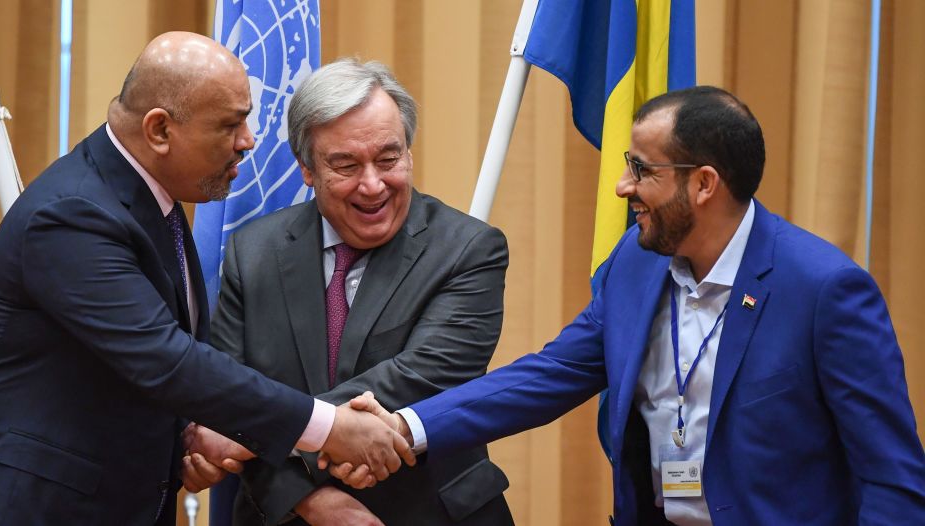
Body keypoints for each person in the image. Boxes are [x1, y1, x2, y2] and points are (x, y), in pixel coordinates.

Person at [337, 86, 925, 525]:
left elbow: (892, 479)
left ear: (703, 184)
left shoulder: (825, 290)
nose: (622, 186)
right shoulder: (636, 264)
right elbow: (549, 374)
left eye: (640, 169)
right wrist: (406, 428)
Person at [0, 32, 411, 526]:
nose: (248, 142)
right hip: (18, 506)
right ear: (160, 130)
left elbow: (129, 369)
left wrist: (193, 432)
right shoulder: (73, 215)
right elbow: (168, 361)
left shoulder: (154, 200)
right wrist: (329, 427)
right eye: (230, 125)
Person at [187, 58, 514, 526]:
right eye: (345, 165)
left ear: (409, 152)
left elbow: (421, 378)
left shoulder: (469, 250)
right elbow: (229, 396)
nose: (373, 184)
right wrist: (313, 501)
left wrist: (253, 432)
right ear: (306, 169)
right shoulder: (253, 251)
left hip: (431, 511)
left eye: (388, 158)